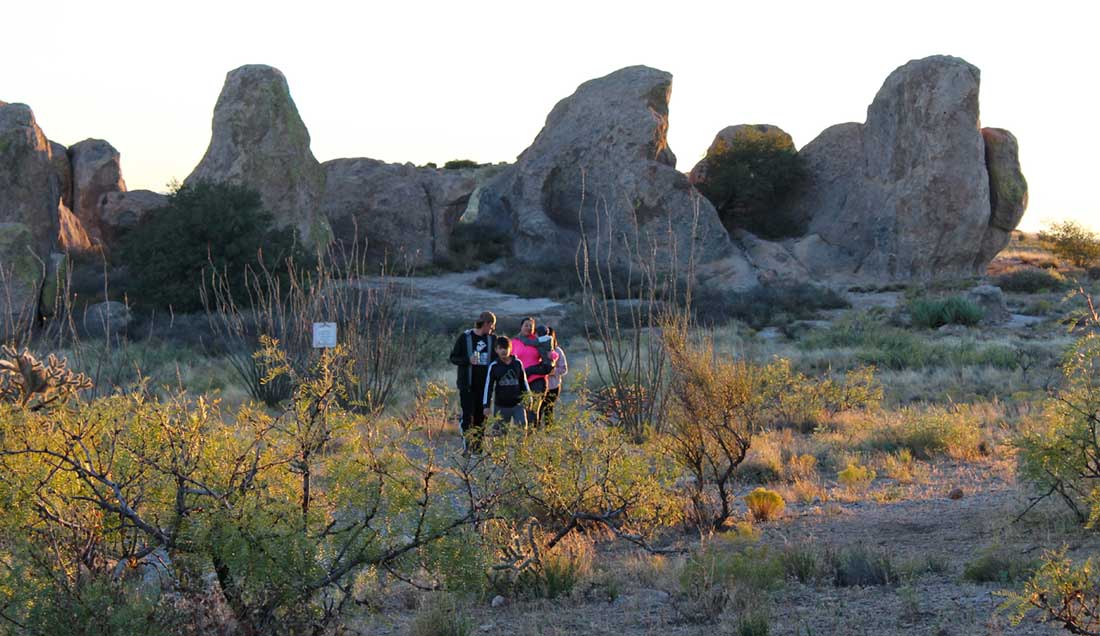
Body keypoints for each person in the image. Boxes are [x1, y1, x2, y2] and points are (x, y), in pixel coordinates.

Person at [449, 311, 497, 453]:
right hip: (467, 386)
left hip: (485, 387)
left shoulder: (492, 339)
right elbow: (453, 357)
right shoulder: (465, 337)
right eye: (492, 326)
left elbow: (498, 357)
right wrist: (467, 361)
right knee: (468, 416)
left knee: (481, 418)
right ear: (486, 323)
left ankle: (478, 448)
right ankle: (467, 447)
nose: (492, 329)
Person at [511, 317, 557, 427]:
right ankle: (522, 439)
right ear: (521, 326)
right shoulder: (514, 342)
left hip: (537, 380)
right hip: (521, 380)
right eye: (526, 325)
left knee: (533, 411)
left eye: (531, 326)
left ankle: (532, 437)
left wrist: (553, 358)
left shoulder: (538, 340)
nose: (528, 328)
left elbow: (551, 354)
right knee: (521, 411)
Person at [482, 336, 530, 429]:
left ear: (510, 349)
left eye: (506, 348)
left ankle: (520, 444)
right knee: (500, 432)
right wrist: (486, 405)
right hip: (501, 406)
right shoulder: (494, 366)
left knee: (522, 428)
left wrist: (528, 398)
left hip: (518, 404)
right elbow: (489, 386)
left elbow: (523, 382)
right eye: (500, 348)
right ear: (496, 350)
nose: (503, 351)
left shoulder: (517, 363)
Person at [542, 326, 568, 423]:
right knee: (537, 410)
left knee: (549, 409)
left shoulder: (557, 351)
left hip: (553, 386)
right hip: (538, 385)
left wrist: (553, 371)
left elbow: (564, 369)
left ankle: (548, 432)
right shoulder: (537, 349)